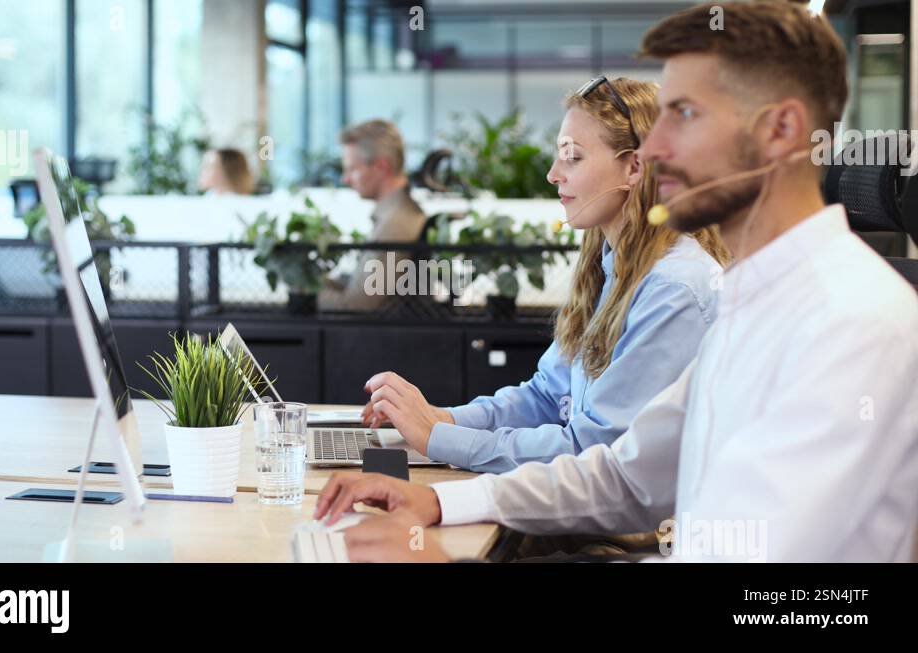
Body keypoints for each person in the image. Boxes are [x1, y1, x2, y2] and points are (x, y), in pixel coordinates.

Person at [314, 1, 918, 563]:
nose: (653, 150)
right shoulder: (753, 300)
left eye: (684, 115)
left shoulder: (850, 321)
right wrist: (443, 504)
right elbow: (626, 475)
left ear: (782, 130)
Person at [358, 79, 728, 474]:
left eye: (573, 157)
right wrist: (439, 419)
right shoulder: (610, 270)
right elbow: (545, 398)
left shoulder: (674, 289)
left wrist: (437, 438)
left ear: (634, 166)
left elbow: (594, 449)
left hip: (638, 531)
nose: (553, 174)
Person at [318, 120, 427, 312]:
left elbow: (357, 305)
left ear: (381, 167)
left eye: (352, 169)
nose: (345, 179)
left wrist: (305, 294)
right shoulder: (394, 215)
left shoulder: (396, 223)